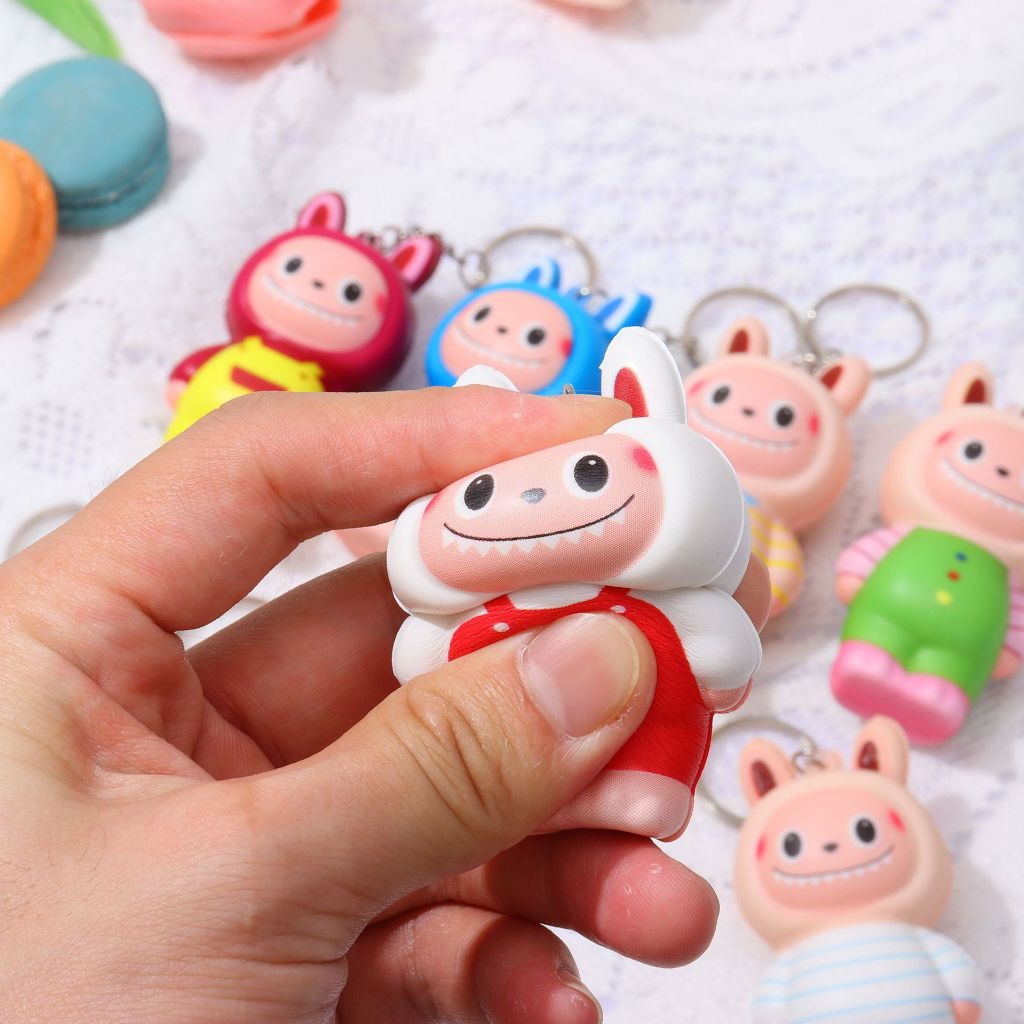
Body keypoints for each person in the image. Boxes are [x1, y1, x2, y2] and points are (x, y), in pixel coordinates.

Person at [0, 386, 768, 1023]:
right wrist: (483, 733)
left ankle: (640, 790)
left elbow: (721, 648)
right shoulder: (461, 616)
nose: (533, 497)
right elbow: (419, 659)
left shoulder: (662, 594)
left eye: (592, 475)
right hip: (509, 826)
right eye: (479, 491)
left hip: (640, 770)